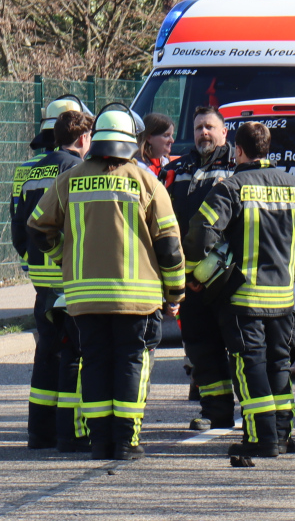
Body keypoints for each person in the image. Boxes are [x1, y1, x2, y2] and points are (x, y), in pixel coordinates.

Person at [30, 105, 185, 460]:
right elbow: (170, 246)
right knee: (132, 362)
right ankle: (126, 442)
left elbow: (39, 227)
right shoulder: (146, 181)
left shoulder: (71, 178)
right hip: (138, 297)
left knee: (95, 362)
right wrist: (175, 292)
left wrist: (64, 258)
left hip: (84, 297)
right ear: (133, 141)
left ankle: (100, 441)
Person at [183, 121, 295, 458]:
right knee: (279, 366)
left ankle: (261, 438)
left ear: (239, 151)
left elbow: (201, 231)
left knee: (250, 366)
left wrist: (205, 269)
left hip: (244, 299)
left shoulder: (233, 187)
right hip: (283, 299)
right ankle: (283, 435)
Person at [11, 104, 91, 449]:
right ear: (84, 138)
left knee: (45, 355)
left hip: (42, 281)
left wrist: (32, 265)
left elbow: (18, 228)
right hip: (70, 279)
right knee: (75, 356)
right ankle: (69, 432)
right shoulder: (80, 171)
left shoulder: (29, 171)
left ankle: (38, 432)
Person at [161, 106, 238, 431]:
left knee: (238, 346)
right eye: (197, 128)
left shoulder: (236, 167)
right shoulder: (178, 169)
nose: (203, 133)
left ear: (224, 132)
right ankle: (214, 410)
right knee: (199, 347)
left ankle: (252, 412)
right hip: (187, 274)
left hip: (226, 275)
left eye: (209, 127)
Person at [138, 113, 175, 182]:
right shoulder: (138, 167)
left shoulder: (166, 163)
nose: (172, 141)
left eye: (172, 135)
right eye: (166, 135)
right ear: (149, 137)